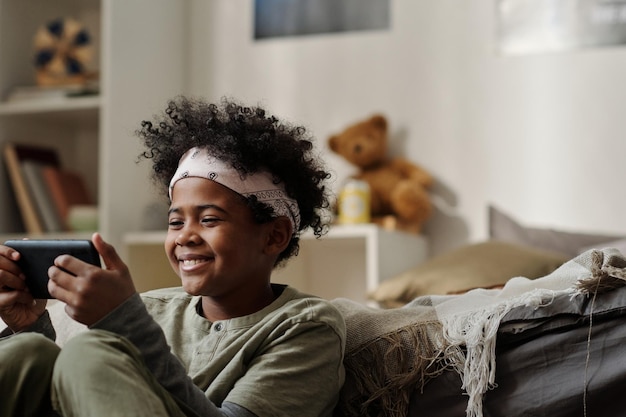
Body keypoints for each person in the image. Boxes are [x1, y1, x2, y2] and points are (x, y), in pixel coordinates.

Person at [0, 96, 346, 417]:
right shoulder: (152, 309)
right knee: (28, 353)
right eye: (175, 221)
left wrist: (125, 323)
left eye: (209, 219)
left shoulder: (306, 326)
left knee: (89, 354)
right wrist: (31, 326)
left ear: (274, 236)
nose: (185, 236)